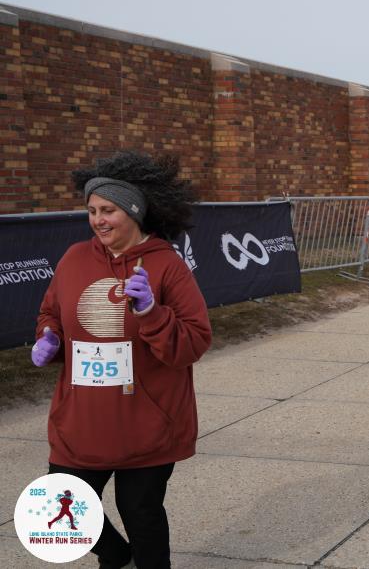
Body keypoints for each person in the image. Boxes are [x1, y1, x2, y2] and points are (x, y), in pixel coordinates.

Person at [31, 150, 211, 569]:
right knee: (59, 503)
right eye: (92, 211)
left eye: (108, 210)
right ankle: (115, 556)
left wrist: (151, 313)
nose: (98, 220)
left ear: (134, 211)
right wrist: (49, 337)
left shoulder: (167, 266)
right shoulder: (75, 258)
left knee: (140, 512)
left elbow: (194, 342)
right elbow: (51, 312)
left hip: (147, 420)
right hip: (81, 418)